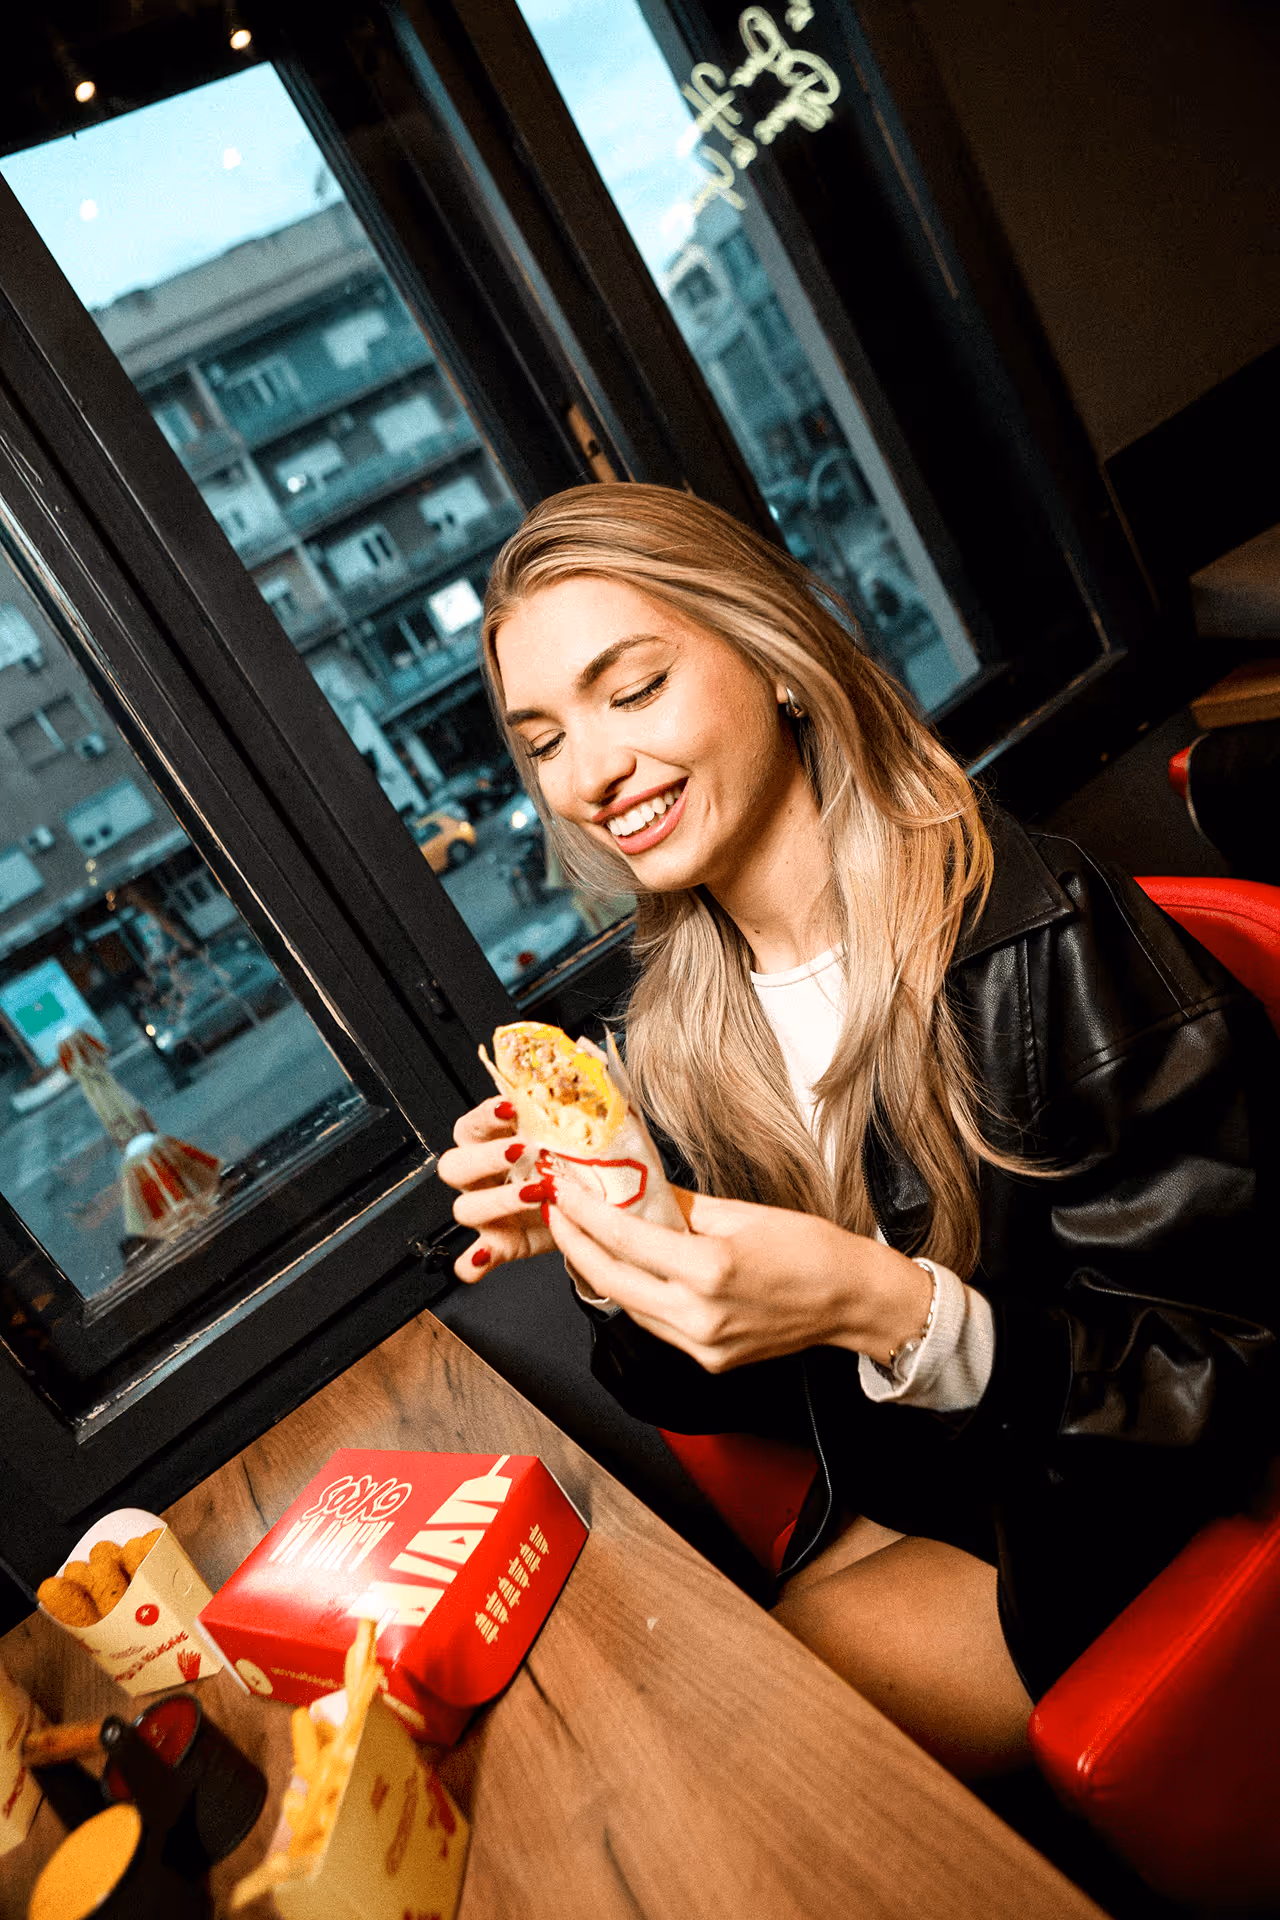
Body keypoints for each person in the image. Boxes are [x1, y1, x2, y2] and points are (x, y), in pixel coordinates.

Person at [439, 484, 1280, 1779]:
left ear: (777, 658)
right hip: (914, 1493)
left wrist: (892, 1310)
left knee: (715, 1747)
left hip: (1104, 1515)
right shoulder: (677, 1031)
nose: (589, 776)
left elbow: (1235, 1370)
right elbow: (718, 1389)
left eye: (635, 688)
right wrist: (616, 1240)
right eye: (544, 739)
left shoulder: (1045, 936)